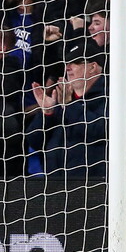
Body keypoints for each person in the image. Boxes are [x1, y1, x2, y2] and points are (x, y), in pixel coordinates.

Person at [27, 41, 108, 178]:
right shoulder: (60, 99)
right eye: (66, 63)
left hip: (93, 185)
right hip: (55, 185)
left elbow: (100, 130)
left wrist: (69, 105)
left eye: (75, 62)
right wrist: (47, 113)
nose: (68, 68)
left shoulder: (111, 97)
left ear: (93, 67)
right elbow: (34, 141)